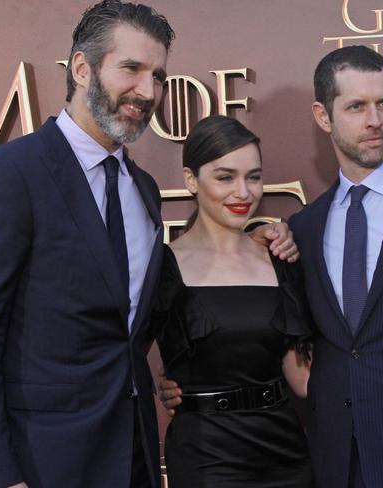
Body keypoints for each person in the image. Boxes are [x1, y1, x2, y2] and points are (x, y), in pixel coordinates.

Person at [0, 2, 297, 488]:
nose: (147, 91)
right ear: (83, 68)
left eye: (158, 76)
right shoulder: (10, 175)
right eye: (131, 69)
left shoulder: (143, 189)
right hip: (39, 459)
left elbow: (132, 324)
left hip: (131, 455)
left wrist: (253, 242)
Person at [159, 46, 383, 488]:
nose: (375, 120)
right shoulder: (305, 230)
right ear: (323, 115)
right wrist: (189, 383)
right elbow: (283, 343)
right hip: (336, 463)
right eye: (356, 106)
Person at [153, 115, 313, 487]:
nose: (243, 192)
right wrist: (162, 385)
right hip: (207, 459)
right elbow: (122, 355)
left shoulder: (279, 256)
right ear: (191, 179)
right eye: (225, 177)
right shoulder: (162, 266)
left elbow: (302, 379)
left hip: (286, 452)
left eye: (253, 176)